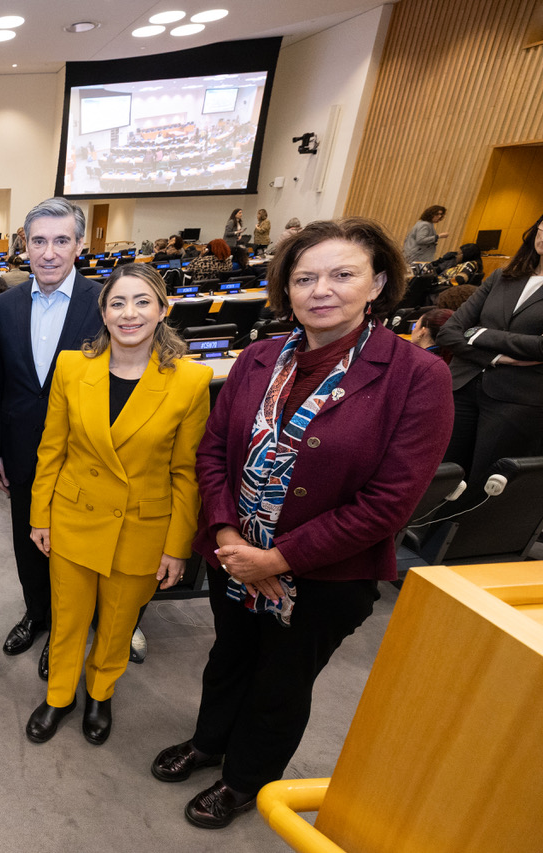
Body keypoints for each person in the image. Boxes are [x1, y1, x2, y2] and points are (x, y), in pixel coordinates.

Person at [153, 218, 453, 829]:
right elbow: (212, 453)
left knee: (281, 682)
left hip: (325, 578)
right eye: (304, 278)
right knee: (229, 659)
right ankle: (209, 743)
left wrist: (279, 559)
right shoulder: (261, 358)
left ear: (377, 285)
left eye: (342, 275)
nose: (322, 290)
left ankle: (245, 781)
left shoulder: (417, 376)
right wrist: (228, 536)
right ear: (285, 290)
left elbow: (389, 503)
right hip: (235, 556)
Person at [25, 264, 210, 745]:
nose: (130, 313)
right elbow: (52, 449)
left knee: (117, 625)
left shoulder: (190, 381)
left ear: (163, 310)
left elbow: (185, 473)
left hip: (141, 526)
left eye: (142, 301)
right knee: (66, 618)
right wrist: (39, 515)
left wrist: (177, 547)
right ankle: (59, 695)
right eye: (118, 303)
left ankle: (101, 692)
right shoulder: (72, 367)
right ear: (103, 313)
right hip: (73, 516)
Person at [0, 198, 104, 680]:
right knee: (26, 540)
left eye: (61, 241)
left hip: (84, 456)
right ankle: (36, 612)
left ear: (79, 245)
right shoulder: (4, 304)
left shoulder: (105, 301)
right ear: (26, 245)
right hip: (20, 452)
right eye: (39, 241)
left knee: (74, 548)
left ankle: (66, 629)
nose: (50, 252)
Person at [438, 212, 543, 496]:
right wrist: (493, 357)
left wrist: (481, 334)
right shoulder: (502, 276)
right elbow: (449, 331)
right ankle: (419, 538)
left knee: (482, 485)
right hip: (461, 385)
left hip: (516, 400)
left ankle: (456, 541)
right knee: (440, 475)